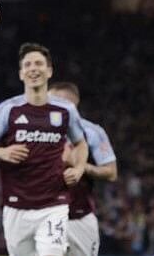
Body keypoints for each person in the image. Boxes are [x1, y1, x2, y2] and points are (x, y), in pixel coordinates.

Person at [0, 43, 89, 256]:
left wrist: (80, 168)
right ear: (21, 73)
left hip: (54, 204)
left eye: (38, 63)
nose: (33, 68)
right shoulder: (8, 110)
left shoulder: (66, 110)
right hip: (16, 207)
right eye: (27, 64)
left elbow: (81, 143)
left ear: (49, 71)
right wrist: (3, 152)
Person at [49, 82, 118, 256]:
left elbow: (111, 172)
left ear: (70, 104)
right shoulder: (37, 131)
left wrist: (80, 165)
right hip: (45, 217)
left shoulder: (92, 132)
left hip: (78, 218)